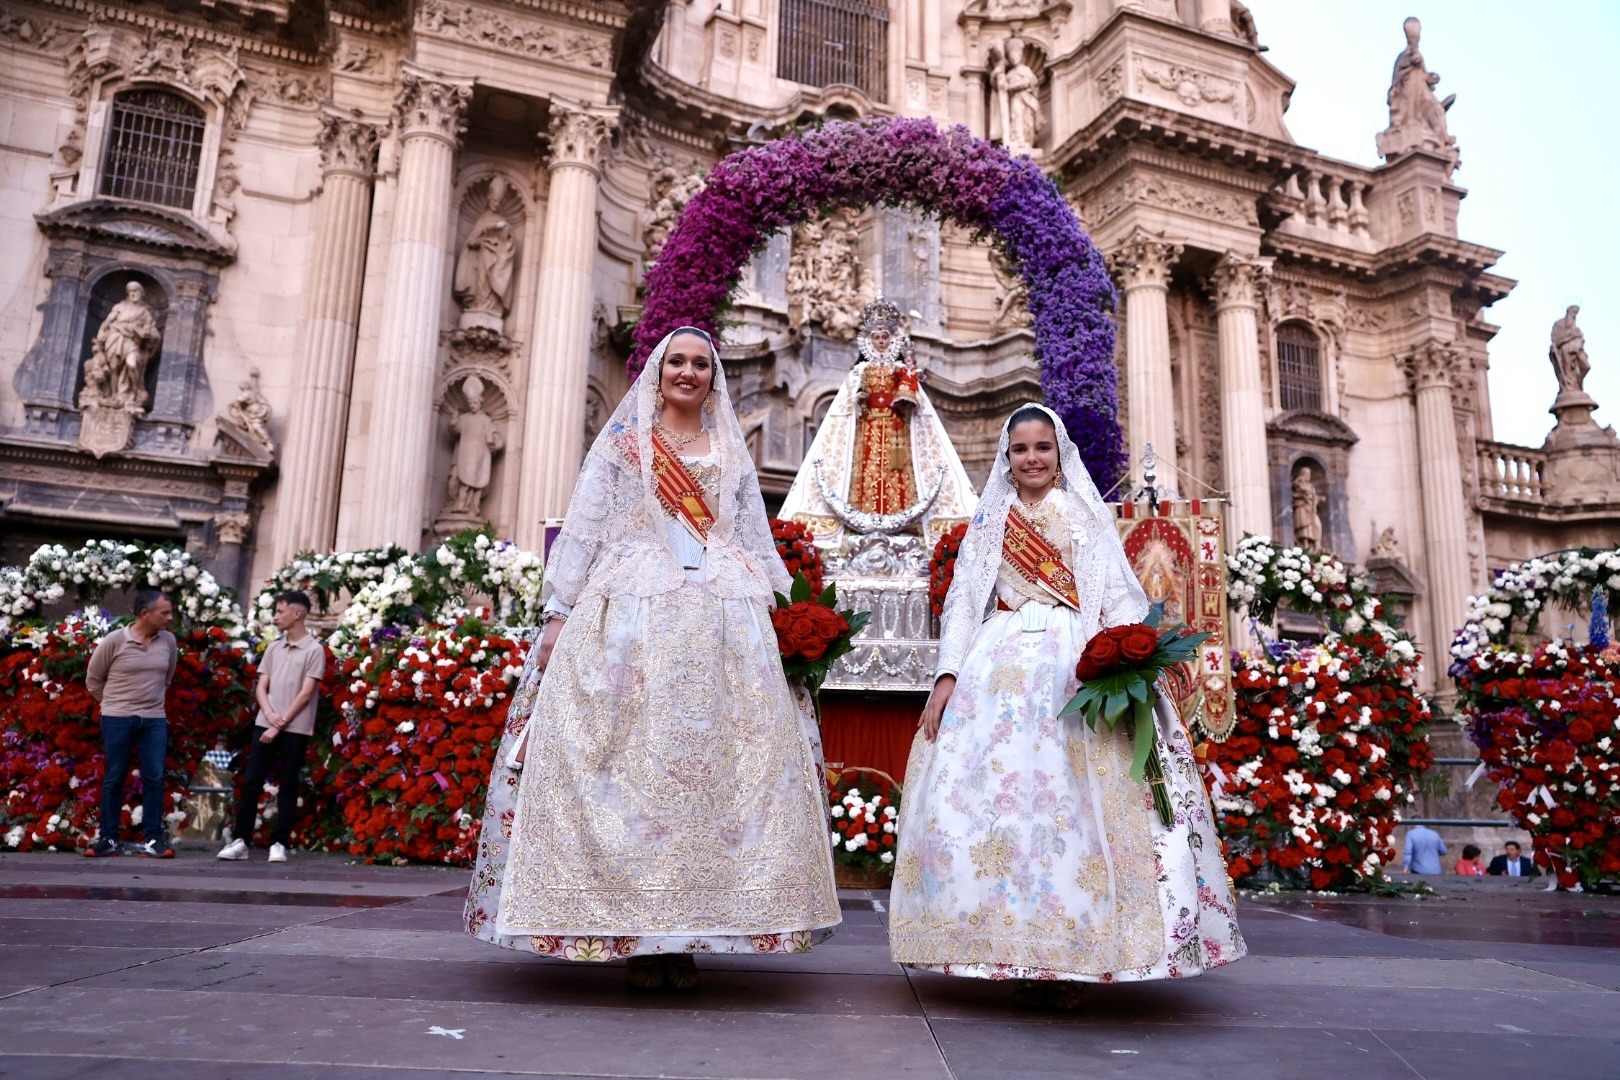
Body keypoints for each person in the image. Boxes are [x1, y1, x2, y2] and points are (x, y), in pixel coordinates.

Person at [464, 326, 841, 990]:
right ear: (658, 372)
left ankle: (688, 931)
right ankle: (633, 932)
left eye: (700, 363)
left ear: (714, 376)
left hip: (723, 617)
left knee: (713, 779)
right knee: (626, 770)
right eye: (677, 362)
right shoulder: (624, 444)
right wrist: (556, 614)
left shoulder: (730, 448)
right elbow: (585, 525)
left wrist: (792, 615)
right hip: (630, 614)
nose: (689, 373)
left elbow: (752, 535)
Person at [888, 403, 1245, 1006]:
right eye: (1021, 448)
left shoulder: (1083, 516)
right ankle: (1006, 946)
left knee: (1078, 807)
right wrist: (947, 674)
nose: (1032, 458)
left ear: (1059, 455)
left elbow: (1117, 594)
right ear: (1008, 455)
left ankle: (1082, 953)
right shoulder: (991, 520)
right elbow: (965, 599)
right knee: (995, 806)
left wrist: (1123, 658)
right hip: (996, 664)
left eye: (1042, 448)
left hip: (1073, 661)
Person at [218, 591, 325, 864]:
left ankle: (279, 843)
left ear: (296, 614)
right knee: (252, 781)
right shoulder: (274, 648)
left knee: (288, 784)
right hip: (266, 724)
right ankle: (241, 840)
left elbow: (306, 693)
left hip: (295, 727)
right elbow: (261, 686)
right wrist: (268, 714)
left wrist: (279, 724)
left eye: (280, 611)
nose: (276, 617)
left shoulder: (314, 650)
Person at [84, 589, 178, 858]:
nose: (170, 618)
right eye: (165, 613)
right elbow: (93, 680)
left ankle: (153, 840)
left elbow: (167, 678)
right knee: (114, 777)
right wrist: (114, 705)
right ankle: (108, 839)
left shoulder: (168, 642)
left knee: (155, 777)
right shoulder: (114, 641)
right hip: (117, 718)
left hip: (154, 720)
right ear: (145, 614)